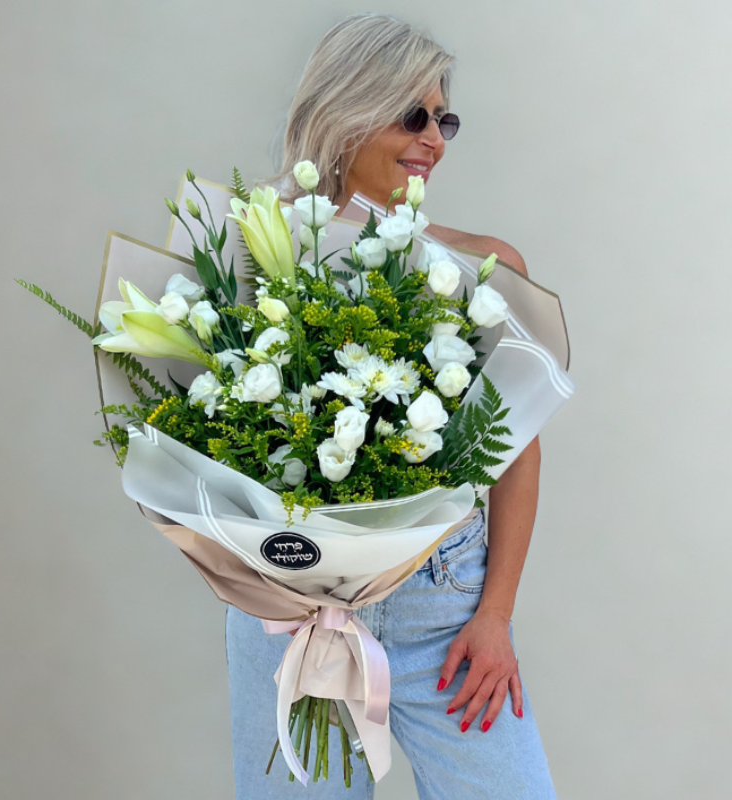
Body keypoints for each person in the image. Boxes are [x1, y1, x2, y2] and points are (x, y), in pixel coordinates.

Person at [225, 12, 557, 799]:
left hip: (445, 609)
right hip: (292, 608)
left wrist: (494, 616)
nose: (434, 139)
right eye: (414, 116)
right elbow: (216, 439)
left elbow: (518, 450)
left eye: (445, 120)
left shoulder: (483, 267)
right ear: (348, 110)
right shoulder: (256, 248)